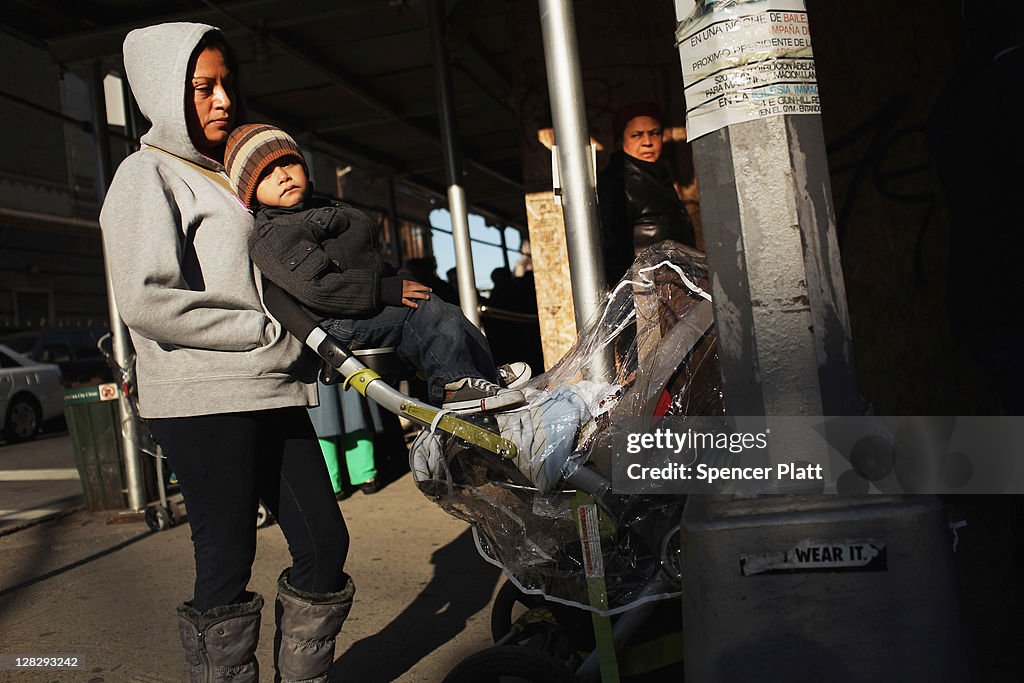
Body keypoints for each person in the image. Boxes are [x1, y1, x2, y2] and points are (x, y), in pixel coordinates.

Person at [99, 23, 352, 682]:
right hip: (203, 397)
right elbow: (147, 300)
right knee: (227, 556)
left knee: (325, 543)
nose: (219, 99)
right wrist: (262, 334)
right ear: (162, 91)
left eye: (225, 85)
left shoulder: (232, 174)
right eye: (201, 87)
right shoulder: (145, 174)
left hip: (271, 387)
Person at [223, 123, 531, 412]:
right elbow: (317, 288)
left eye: (288, 163)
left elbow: (368, 260)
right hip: (340, 320)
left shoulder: (324, 207)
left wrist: (400, 279)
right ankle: (457, 387)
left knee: (447, 311)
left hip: (365, 309)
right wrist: (384, 289)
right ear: (250, 191)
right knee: (427, 314)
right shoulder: (275, 233)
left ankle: (485, 377)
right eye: (266, 174)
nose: (282, 175)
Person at [598, 102, 697, 286]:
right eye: (636, 135)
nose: (647, 142)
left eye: (654, 133)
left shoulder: (658, 177)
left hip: (674, 290)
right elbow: (613, 251)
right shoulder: (617, 182)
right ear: (621, 140)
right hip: (646, 293)